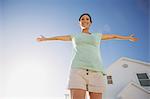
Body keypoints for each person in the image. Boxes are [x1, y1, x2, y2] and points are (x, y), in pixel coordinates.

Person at [36, 13, 138, 99]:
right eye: (82, 19)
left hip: (96, 72)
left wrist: (127, 37)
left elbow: (114, 36)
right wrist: (46, 39)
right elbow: (59, 38)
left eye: (87, 19)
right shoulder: (74, 36)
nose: (85, 20)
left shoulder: (97, 35)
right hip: (78, 70)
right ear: (79, 22)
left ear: (91, 22)